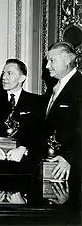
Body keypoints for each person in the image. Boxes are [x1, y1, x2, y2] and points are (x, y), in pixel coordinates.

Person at [0, 59, 44, 174]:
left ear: (22, 78)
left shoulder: (37, 102)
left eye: (9, 73)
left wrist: (23, 148)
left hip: (26, 167)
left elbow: (39, 132)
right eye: (3, 73)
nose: (4, 77)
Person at [44, 42, 82, 181]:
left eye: (51, 60)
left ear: (67, 60)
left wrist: (69, 158)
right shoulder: (53, 88)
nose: (47, 66)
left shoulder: (79, 86)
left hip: (71, 169)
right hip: (52, 166)